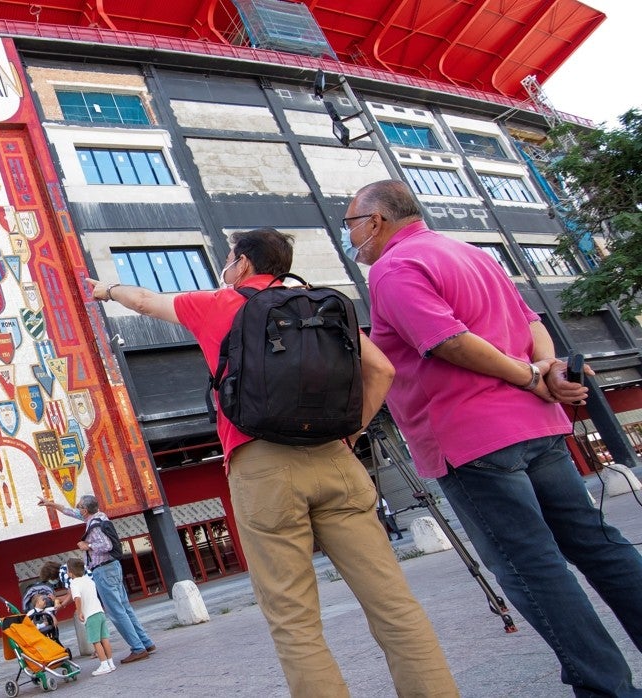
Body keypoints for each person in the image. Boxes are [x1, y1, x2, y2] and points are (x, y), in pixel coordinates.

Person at [85, 227, 457, 697]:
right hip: (334, 459)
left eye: (228, 258)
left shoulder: (218, 304)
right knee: (393, 605)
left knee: (295, 620)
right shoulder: (322, 304)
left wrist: (105, 290)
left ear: (242, 264)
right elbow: (382, 369)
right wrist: (349, 434)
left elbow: (143, 301)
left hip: (260, 465)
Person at [346, 178, 642, 697]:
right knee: (596, 545)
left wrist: (532, 375)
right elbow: (532, 321)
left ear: (376, 221)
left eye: (351, 224)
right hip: (536, 425)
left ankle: (607, 689)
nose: (351, 237)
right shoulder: (469, 253)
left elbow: (447, 342)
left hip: (472, 437)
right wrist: (545, 369)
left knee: (531, 567)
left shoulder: (394, 268)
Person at [35, 494, 156, 663]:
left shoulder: (94, 525)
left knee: (116, 612)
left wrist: (88, 546)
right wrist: (51, 504)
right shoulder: (99, 517)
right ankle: (145, 642)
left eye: (79, 506)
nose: (77, 508)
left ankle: (138, 648)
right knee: (125, 608)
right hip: (112, 568)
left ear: (85, 510)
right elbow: (69, 512)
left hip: (104, 570)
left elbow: (107, 545)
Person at [56, 558, 114, 675]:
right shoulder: (89, 580)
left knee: (95, 641)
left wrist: (79, 612)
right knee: (105, 639)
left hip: (91, 615)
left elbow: (77, 598)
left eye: (67, 570)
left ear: (71, 572)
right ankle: (110, 663)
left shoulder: (74, 583)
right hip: (100, 612)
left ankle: (103, 665)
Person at [22, 560, 64, 645]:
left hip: (46, 621)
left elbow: (54, 607)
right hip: (37, 624)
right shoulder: (32, 611)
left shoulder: (46, 606)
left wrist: (56, 602)